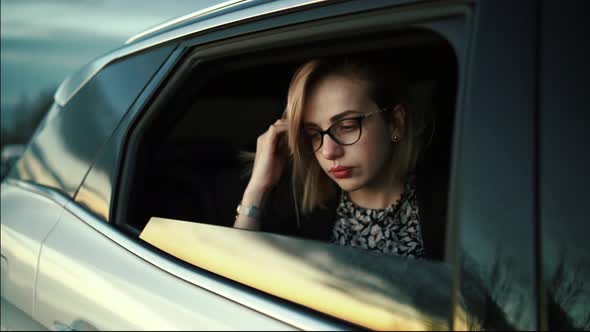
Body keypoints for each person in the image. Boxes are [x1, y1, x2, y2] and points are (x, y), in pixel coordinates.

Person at [233, 56, 446, 260]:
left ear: (395, 123)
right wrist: (257, 189)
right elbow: (235, 282)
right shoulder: (298, 215)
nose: (328, 151)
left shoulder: (453, 209)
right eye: (314, 134)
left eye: (347, 127)